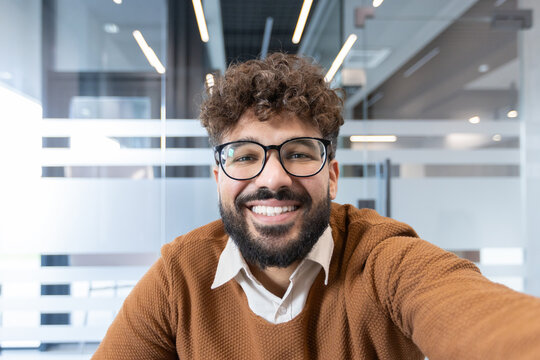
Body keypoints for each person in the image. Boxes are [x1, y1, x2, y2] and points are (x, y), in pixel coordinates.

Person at [92, 53, 540, 360]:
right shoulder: (180, 276)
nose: (273, 178)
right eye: (246, 156)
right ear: (218, 179)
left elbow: (476, 316)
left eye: (300, 153)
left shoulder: (385, 260)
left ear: (332, 174)